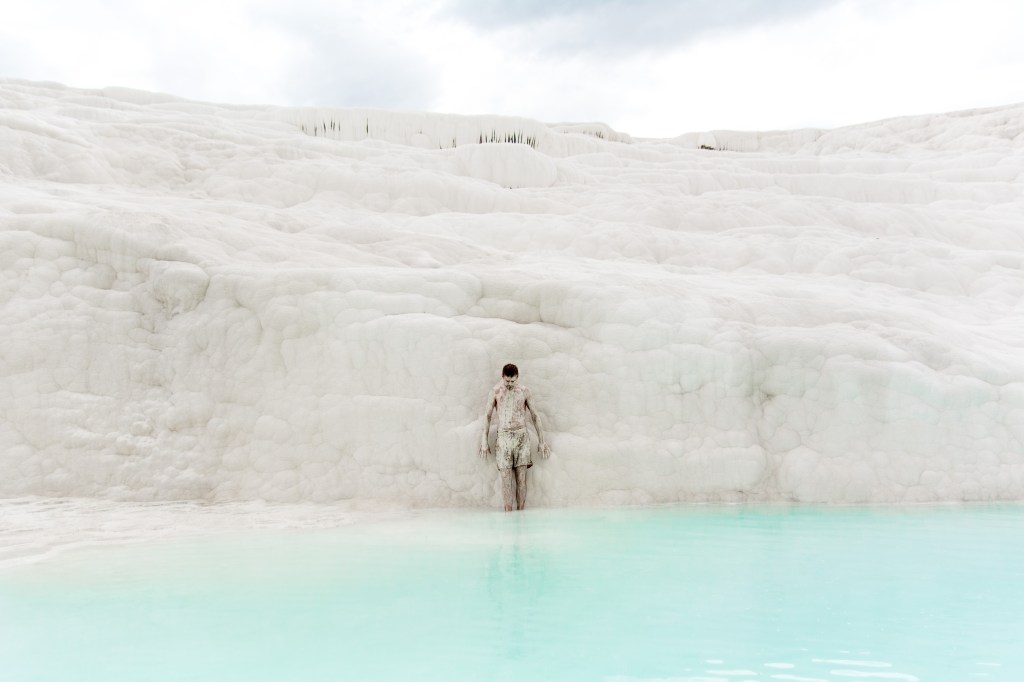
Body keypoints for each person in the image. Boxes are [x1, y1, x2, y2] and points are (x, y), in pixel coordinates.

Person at [479, 363, 550, 511]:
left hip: (521, 436)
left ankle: (521, 514)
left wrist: (542, 441)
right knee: (506, 478)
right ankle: (508, 514)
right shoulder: (496, 391)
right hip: (504, 436)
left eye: (513, 381)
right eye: (507, 381)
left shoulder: (524, 391)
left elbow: (535, 415)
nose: (510, 384)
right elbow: (487, 416)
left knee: (521, 478)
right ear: (502, 377)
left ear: (517, 378)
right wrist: (484, 441)